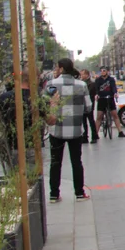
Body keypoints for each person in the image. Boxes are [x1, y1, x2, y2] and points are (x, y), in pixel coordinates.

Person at [45, 59, 91, 203]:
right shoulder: (81, 85)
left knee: (55, 162)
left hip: (56, 129)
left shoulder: (52, 84)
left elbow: (44, 104)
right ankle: (79, 193)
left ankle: (54, 194)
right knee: (76, 162)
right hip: (75, 130)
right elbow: (88, 107)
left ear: (61, 68)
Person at [93, 66, 125, 139]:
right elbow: (96, 89)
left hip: (110, 98)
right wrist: (97, 95)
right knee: (99, 116)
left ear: (107, 71)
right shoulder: (98, 80)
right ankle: (95, 134)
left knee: (115, 114)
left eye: (104, 71)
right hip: (102, 98)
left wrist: (115, 93)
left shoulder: (111, 79)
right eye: (101, 71)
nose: (102, 72)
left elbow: (114, 87)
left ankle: (120, 132)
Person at [79, 69, 98, 144]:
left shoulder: (91, 83)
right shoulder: (80, 83)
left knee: (91, 120)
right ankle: (85, 137)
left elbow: (90, 94)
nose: (82, 76)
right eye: (81, 74)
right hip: (82, 104)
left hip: (89, 104)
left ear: (87, 75)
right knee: (84, 121)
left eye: (83, 74)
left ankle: (94, 136)